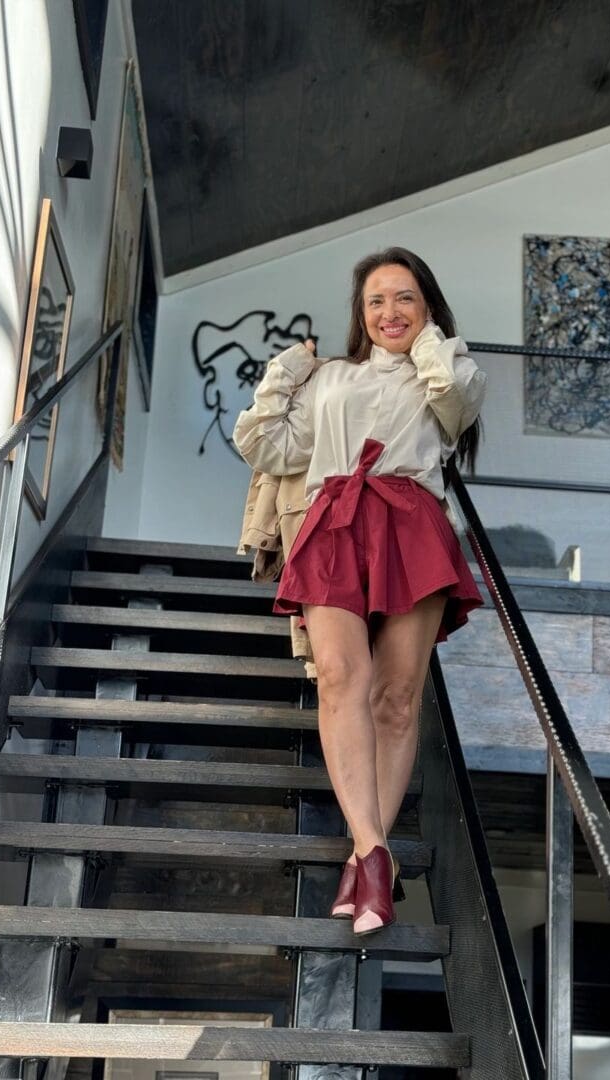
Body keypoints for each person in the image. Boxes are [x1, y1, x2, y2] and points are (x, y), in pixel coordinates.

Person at [233, 247, 486, 935]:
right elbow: (265, 446)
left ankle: (366, 860)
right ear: (360, 313)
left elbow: (455, 409)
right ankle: (375, 852)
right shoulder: (331, 378)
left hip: (411, 521)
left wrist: (430, 343)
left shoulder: (450, 367)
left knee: (397, 697)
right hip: (336, 520)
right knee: (342, 676)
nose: (389, 312)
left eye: (404, 298)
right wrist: (286, 373)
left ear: (426, 305)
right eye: (376, 301)